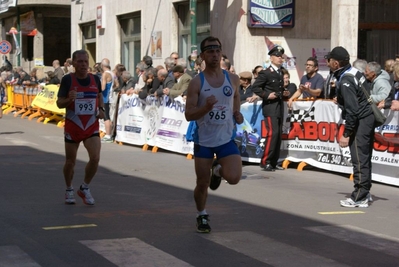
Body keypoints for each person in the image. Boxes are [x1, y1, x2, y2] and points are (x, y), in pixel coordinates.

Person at [185, 36, 243, 233]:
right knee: (202, 183)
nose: (215, 55)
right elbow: (188, 114)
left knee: (234, 178)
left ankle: (218, 169)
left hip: (226, 138)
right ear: (202, 56)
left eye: (217, 51)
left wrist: (237, 113)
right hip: (204, 140)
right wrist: (206, 107)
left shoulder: (233, 79)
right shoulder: (196, 83)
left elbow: (235, 98)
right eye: (210, 51)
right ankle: (201, 215)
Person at [326, 46, 374, 208]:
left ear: (336, 63)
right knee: (364, 157)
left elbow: (353, 110)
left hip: (360, 121)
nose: (328, 63)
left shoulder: (346, 79)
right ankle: (365, 192)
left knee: (359, 159)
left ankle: (359, 196)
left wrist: (346, 133)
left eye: (330, 60)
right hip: (366, 119)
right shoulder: (354, 72)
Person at [56, 50, 104, 206]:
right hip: (73, 125)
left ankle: (84, 187)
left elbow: (99, 95)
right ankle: (69, 188)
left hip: (91, 126)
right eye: (80, 62)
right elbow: (59, 103)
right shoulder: (67, 80)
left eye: (85, 61)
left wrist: (102, 109)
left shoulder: (95, 79)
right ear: (73, 64)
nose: (83, 64)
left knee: (95, 158)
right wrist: (69, 99)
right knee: (70, 161)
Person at [252, 45, 286, 171]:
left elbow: (279, 89)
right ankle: (265, 160)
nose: (280, 58)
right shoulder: (265, 73)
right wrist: (266, 95)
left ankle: (273, 161)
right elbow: (255, 87)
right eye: (277, 56)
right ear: (271, 58)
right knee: (273, 133)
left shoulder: (280, 72)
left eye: (281, 56)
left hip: (279, 106)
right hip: (270, 107)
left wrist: (284, 93)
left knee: (278, 135)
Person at [100, 58, 114, 143]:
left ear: (102, 65)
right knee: (109, 116)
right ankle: (109, 134)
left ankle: (108, 135)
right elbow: (116, 84)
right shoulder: (112, 73)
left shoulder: (105, 74)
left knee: (106, 117)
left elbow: (103, 87)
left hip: (105, 98)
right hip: (111, 97)